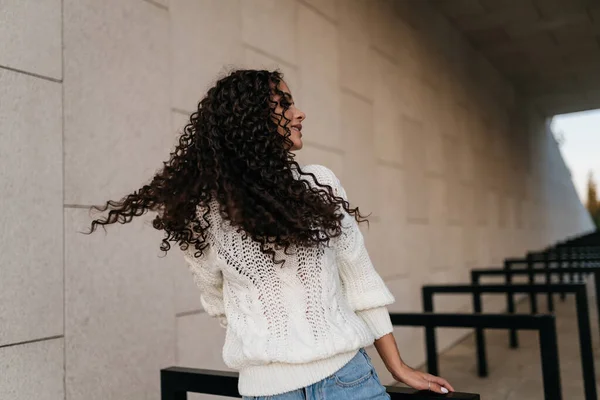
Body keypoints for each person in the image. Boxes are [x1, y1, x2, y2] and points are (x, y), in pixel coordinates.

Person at [85, 69, 454, 399]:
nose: (299, 113)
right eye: (285, 104)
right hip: (268, 393)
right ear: (250, 120)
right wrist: (271, 342)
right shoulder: (204, 214)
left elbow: (361, 282)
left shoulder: (319, 184)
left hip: (349, 382)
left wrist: (399, 368)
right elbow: (218, 301)